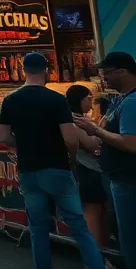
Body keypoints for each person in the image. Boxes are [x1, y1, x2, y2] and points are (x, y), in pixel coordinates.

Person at [0, 51, 105, 269]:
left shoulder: (10, 100)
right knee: (80, 228)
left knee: (38, 230)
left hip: (28, 171)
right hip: (57, 168)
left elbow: (3, 137)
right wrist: (72, 161)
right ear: (45, 71)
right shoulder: (57, 100)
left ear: (23, 70)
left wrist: (26, 143)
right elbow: (70, 139)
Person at [74, 51, 136, 259]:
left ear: (122, 72)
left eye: (107, 73)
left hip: (129, 180)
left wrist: (96, 131)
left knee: (130, 239)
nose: (104, 78)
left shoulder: (131, 102)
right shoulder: (123, 100)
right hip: (122, 179)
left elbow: (130, 143)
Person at [66, 83, 111, 257]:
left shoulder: (79, 119)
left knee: (102, 210)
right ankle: (96, 256)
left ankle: (99, 251)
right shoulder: (75, 121)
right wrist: (100, 130)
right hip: (87, 170)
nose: (91, 101)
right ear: (79, 100)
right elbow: (93, 145)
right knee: (92, 210)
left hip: (91, 170)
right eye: (88, 98)